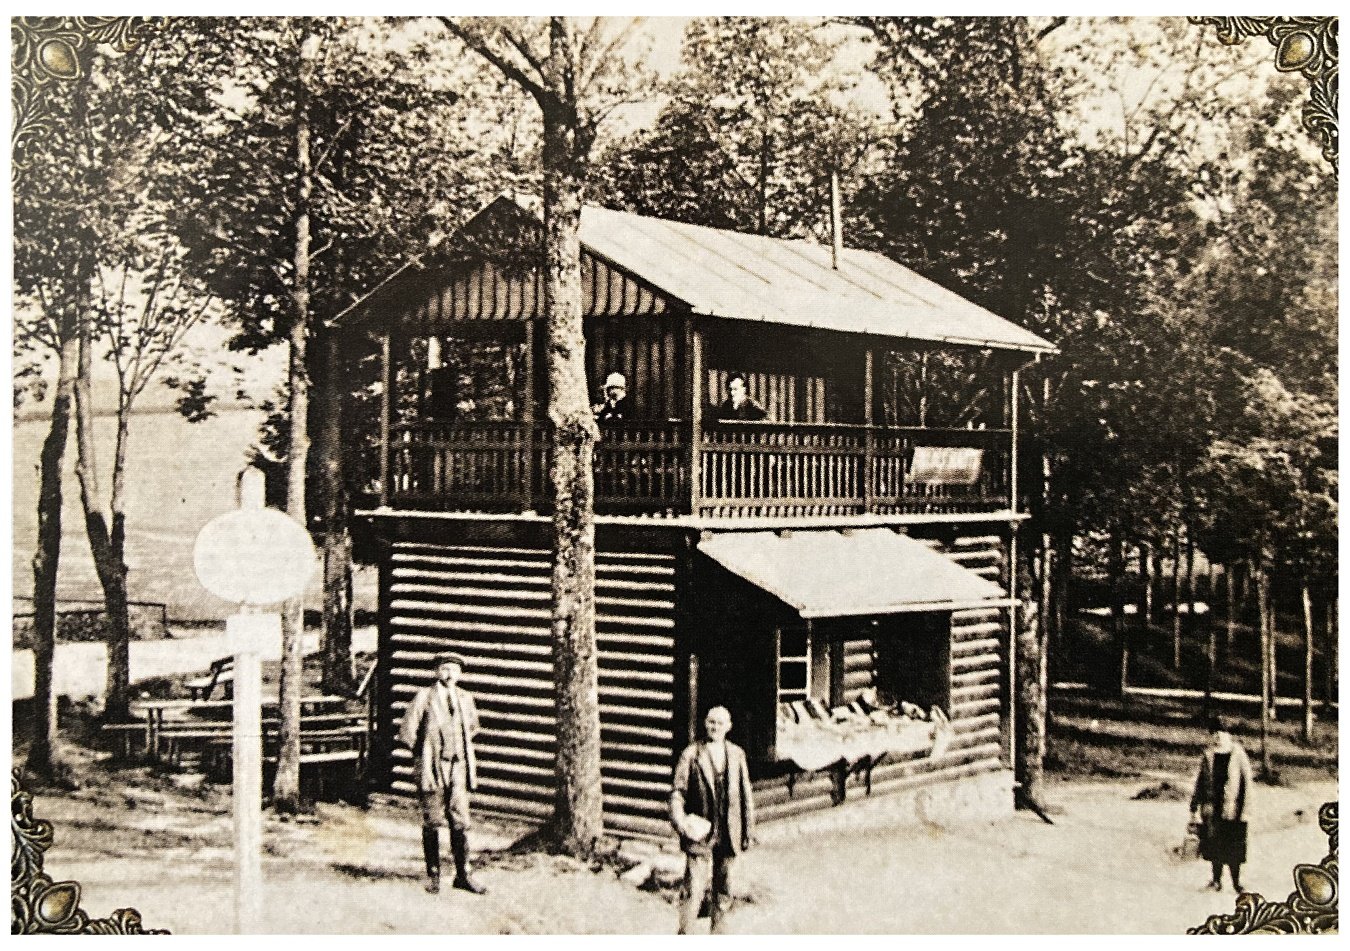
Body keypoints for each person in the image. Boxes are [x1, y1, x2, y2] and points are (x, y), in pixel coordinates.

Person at [398, 652, 487, 895]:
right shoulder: (424, 697)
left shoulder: (465, 698)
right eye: (445, 669)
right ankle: (433, 875)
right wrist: (425, 755)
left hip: (458, 767)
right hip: (432, 767)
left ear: (460, 674)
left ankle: (463, 875)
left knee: (460, 820)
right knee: (433, 819)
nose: (449, 674)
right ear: (436, 671)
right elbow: (407, 732)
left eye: (454, 670)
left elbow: (472, 728)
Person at [670, 706, 755, 934]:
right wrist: (681, 822)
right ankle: (686, 935)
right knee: (694, 889)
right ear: (705, 723)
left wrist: (748, 831)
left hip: (728, 831)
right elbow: (678, 793)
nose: (714, 727)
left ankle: (719, 935)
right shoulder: (692, 754)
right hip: (701, 832)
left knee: (724, 889)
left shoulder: (736, 754)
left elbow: (745, 795)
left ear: (729, 727)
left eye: (719, 723)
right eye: (711, 722)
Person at [1190, 715, 1253, 893]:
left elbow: (1247, 784)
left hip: (1233, 809)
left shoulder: (1238, 754)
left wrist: (1245, 810)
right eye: (1214, 733)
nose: (1217, 737)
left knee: (1234, 846)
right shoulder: (1208, 755)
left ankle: (1236, 883)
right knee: (1214, 845)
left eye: (1221, 733)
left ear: (1228, 735)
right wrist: (1195, 805)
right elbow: (1200, 781)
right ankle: (1216, 881)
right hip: (1212, 807)